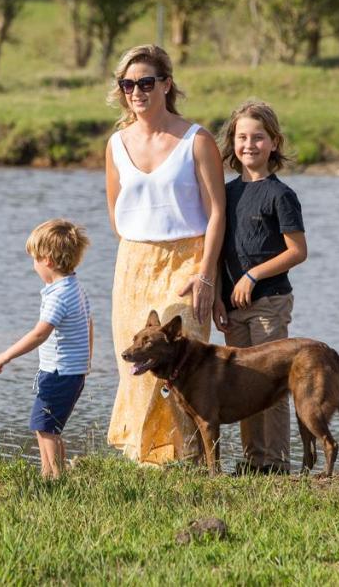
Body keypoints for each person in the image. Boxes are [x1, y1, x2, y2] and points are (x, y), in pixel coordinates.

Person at [105, 44, 227, 465]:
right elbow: (116, 214)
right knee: (136, 367)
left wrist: (207, 274)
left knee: (184, 362)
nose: (137, 91)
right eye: (128, 84)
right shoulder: (116, 144)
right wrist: (139, 251)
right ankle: (148, 461)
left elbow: (217, 213)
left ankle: (191, 458)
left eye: (146, 82)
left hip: (187, 261)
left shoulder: (197, 139)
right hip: (134, 264)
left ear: (166, 84)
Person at [216, 100, 308, 475]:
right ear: (232, 143)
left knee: (270, 382)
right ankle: (253, 459)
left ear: (274, 142)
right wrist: (219, 299)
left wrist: (253, 276)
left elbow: (297, 251)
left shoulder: (280, 194)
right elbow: (220, 251)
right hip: (233, 305)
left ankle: (276, 461)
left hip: (269, 301)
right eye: (241, 137)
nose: (249, 144)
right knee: (242, 383)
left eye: (258, 137)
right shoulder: (226, 193)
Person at [0, 219, 94, 480]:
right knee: (47, 426)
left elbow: (40, 333)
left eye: (34, 259)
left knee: (46, 427)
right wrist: (87, 359)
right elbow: (89, 323)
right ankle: (48, 472)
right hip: (72, 371)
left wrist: (7, 355)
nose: (33, 265)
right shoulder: (74, 288)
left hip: (59, 372)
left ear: (47, 260)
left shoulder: (59, 296)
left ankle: (55, 478)